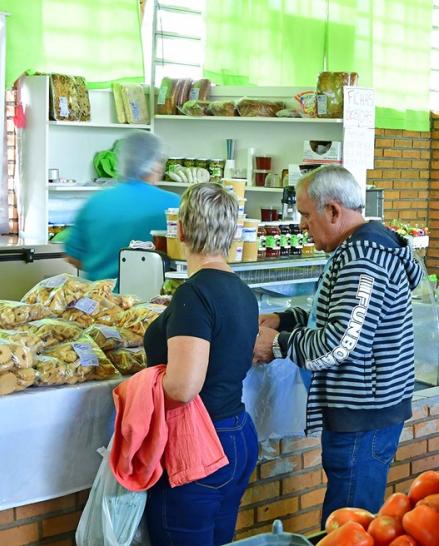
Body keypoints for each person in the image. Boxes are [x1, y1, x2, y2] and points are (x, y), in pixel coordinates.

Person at [252, 164, 424, 525]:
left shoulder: (362, 260)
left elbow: (341, 343)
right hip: (364, 415)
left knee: (348, 525)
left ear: (332, 210)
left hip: (362, 419)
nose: (301, 225)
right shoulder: (359, 249)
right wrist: (286, 319)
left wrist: (278, 344)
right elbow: (341, 319)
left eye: (304, 214)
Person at [142, 182, 259, 545]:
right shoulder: (242, 290)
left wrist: (139, 387)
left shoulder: (193, 293)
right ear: (231, 231)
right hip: (237, 433)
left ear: (181, 228)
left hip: (198, 443)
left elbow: (183, 386)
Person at [64, 131, 180, 281]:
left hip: (102, 299)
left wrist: (102, 267)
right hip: (156, 301)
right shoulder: (174, 205)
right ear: (155, 165)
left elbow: (72, 256)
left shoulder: (95, 203)